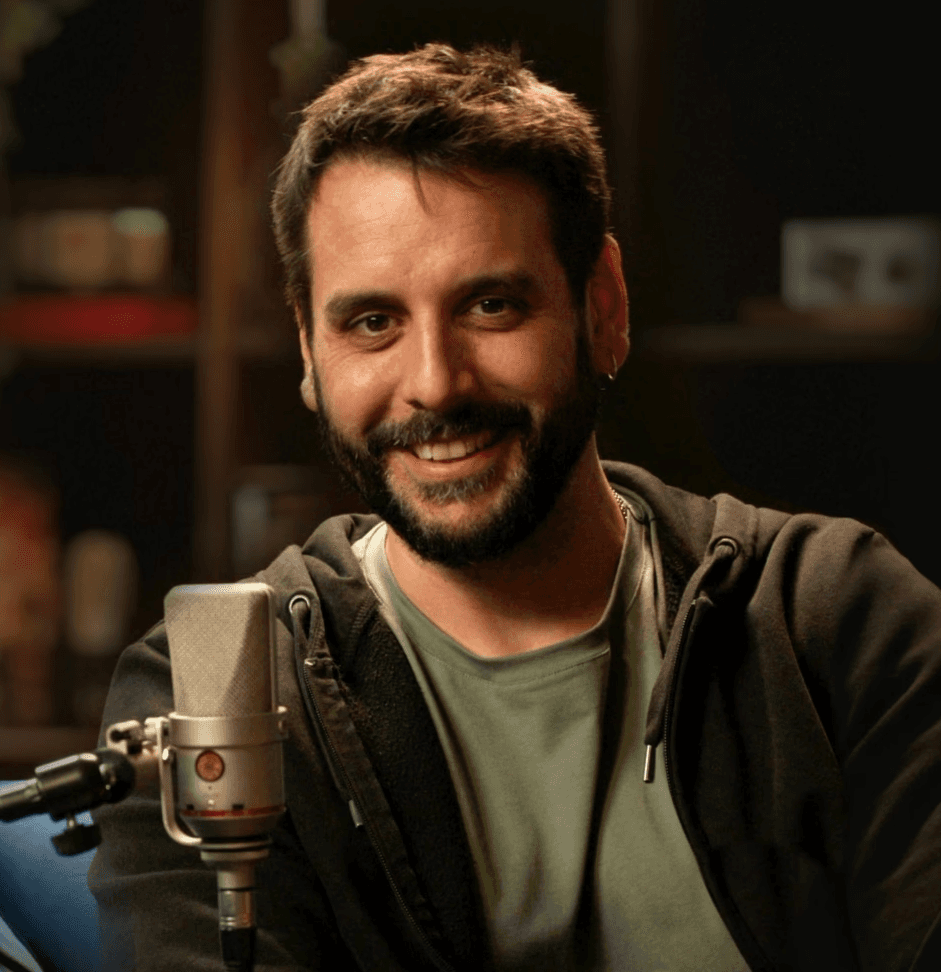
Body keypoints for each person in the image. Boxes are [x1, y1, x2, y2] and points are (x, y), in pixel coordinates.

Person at [88, 44, 941, 971]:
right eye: (371, 322)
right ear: (307, 349)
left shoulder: (835, 621)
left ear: (601, 307)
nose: (434, 383)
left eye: (490, 305)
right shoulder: (217, 691)